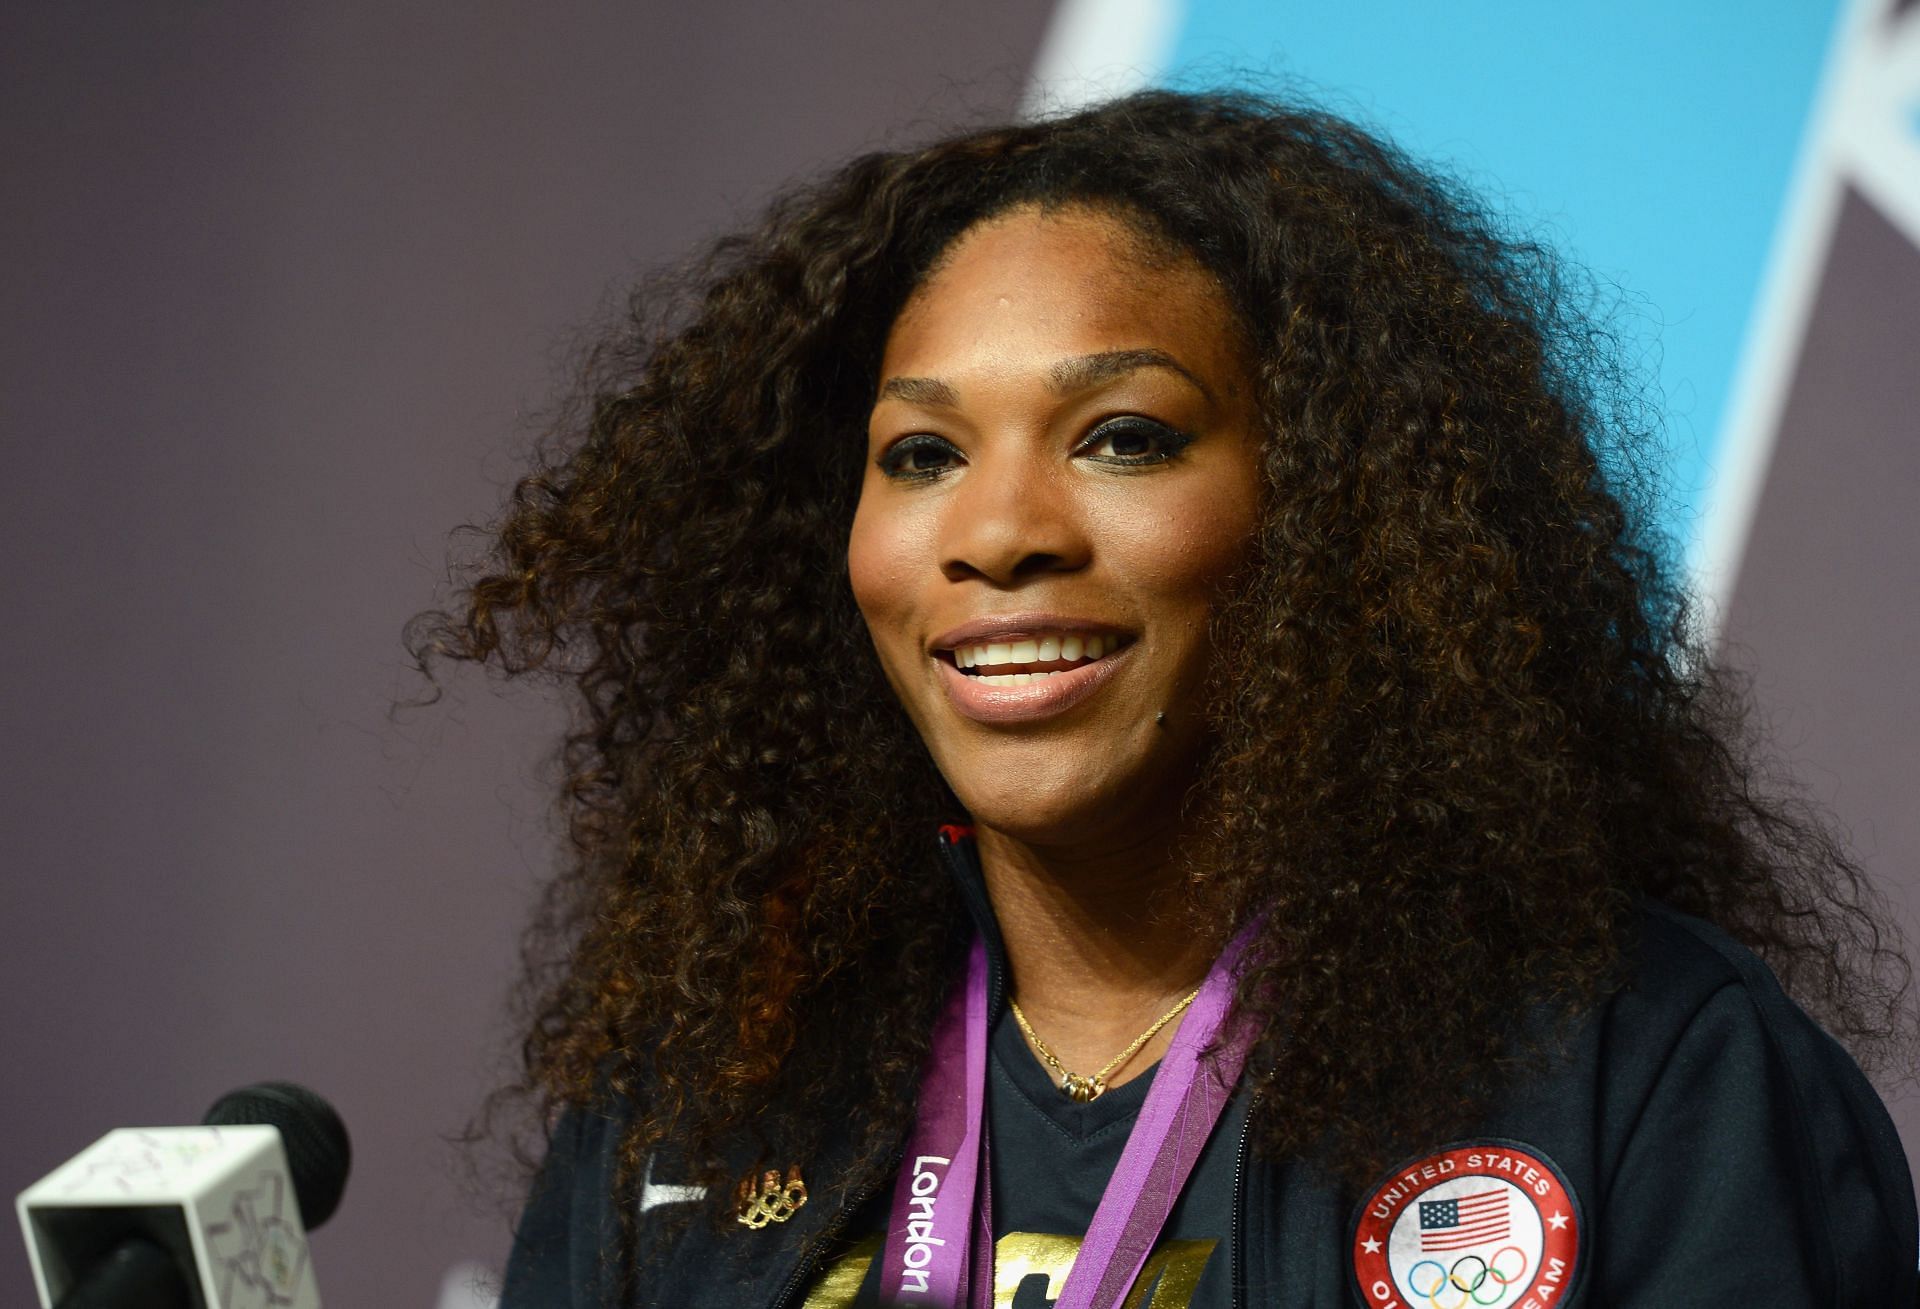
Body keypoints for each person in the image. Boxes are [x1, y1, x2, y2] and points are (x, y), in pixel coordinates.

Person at [415, 90, 1918, 1307]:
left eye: (1123, 437)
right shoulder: (707, 1097)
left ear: (1330, 515)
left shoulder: (1644, 1070)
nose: (997, 531)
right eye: (922, 454)